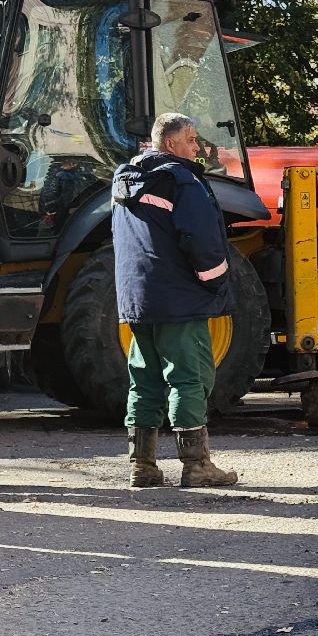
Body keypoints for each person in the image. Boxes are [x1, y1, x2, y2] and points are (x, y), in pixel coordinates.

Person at [112, 112, 238, 487]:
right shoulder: (182, 181)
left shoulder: (123, 181)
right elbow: (201, 241)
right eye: (192, 140)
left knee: (144, 379)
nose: (197, 147)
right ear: (170, 144)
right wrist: (215, 284)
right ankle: (196, 465)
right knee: (189, 377)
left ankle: (142, 465)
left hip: (137, 298)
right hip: (180, 299)